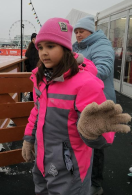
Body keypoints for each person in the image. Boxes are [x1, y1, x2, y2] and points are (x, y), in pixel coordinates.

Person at [22, 18, 130, 195]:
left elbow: (104, 138)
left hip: (71, 168)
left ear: (65, 49)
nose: (43, 53)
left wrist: (92, 130)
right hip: (42, 161)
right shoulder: (41, 79)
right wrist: (29, 138)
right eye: (40, 47)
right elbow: (36, 111)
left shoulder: (85, 83)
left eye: (50, 46)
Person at [72, 16, 116, 195]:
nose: (78, 34)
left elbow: (103, 69)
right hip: (81, 102)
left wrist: (77, 69)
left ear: (91, 31)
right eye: (76, 32)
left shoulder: (102, 45)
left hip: (98, 103)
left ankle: (95, 184)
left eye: (81, 31)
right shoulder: (77, 48)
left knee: (95, 142)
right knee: (81, 140)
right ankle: (82, 177)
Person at [25, 33, 39, 101]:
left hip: (38, 70)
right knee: (32, 85)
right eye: (33, 39)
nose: (34, 40)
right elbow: (26, 59)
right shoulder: (29, 49)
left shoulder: (39, 48)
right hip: (31, 70)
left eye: (35, 38)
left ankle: (37, 97)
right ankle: (32, 97)